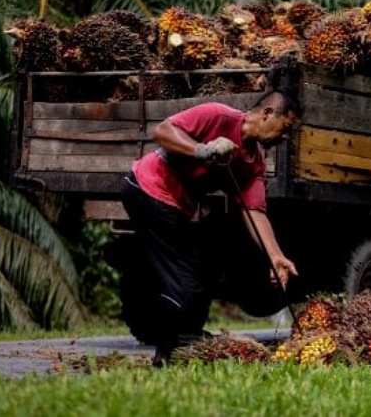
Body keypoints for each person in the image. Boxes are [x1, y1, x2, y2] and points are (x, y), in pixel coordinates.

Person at [119, 61, 303, 366]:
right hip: (146, 188)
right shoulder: (217, 115)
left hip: (174, 206)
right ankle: (172, 349)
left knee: (198, 272)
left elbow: (254, 211)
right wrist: (201, 150)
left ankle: (182, 341)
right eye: (285, 128)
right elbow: (162, 131)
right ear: (268, 113)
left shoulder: (253, 162)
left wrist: (275, 256)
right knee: (183, 276)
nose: (284, 138)